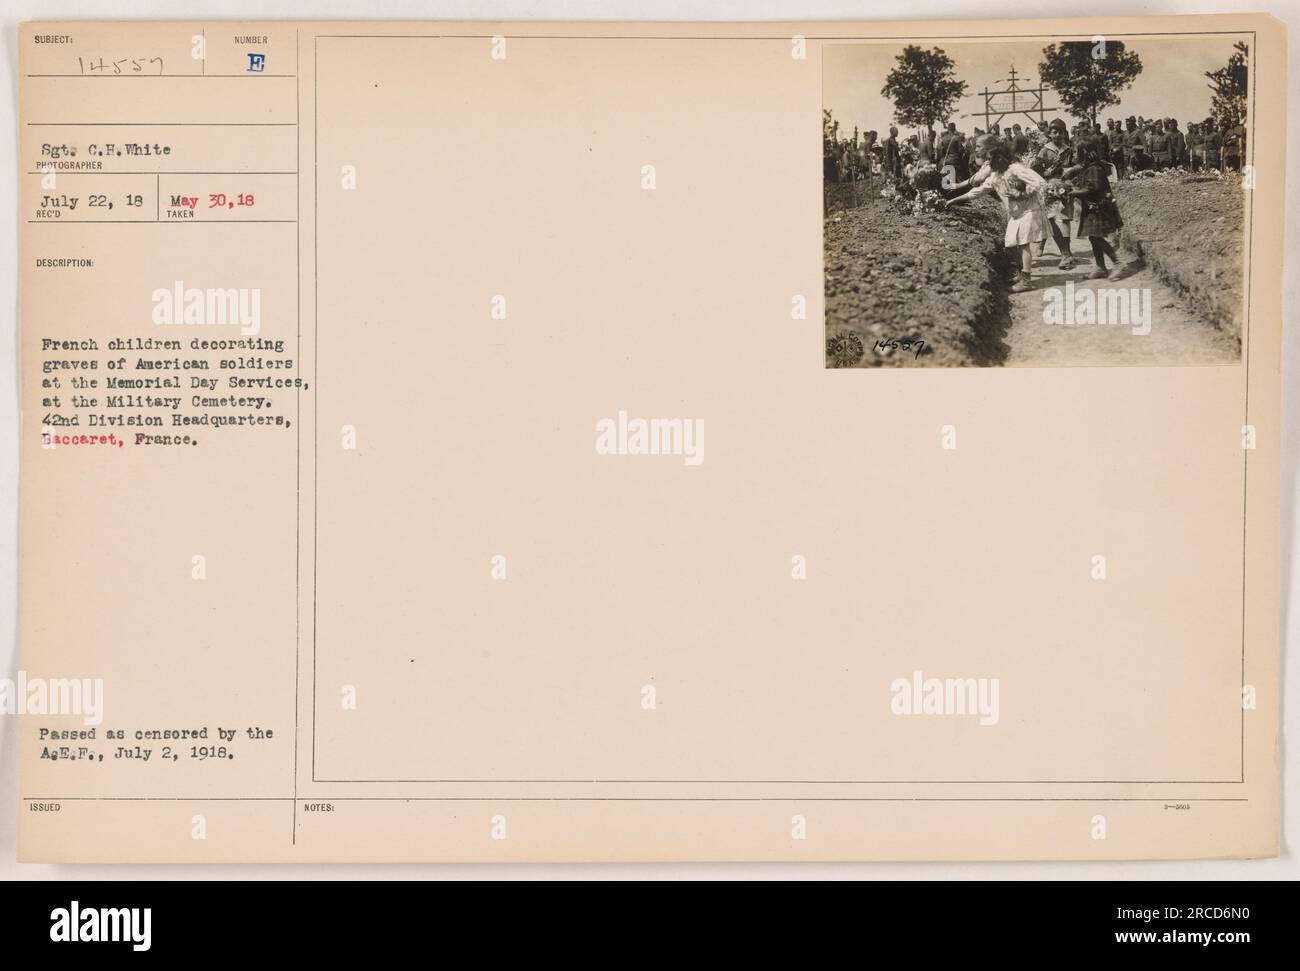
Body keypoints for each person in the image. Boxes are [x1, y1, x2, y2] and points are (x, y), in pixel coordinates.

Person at [943, 134, 1051, 293]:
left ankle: (1026, 280)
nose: (989, 164)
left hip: (1029, 210)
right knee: (1010, 245)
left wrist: (1022, 194)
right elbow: (977, 191)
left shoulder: (1015, 169)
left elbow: (1039, 182)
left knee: (1023, 243)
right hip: (1016, 213)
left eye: (992, 160)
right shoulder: (994, 176)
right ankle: (1022, 273)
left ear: (999, 157)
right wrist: (955, 200)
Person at [1067, 137, 1126, 280]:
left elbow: (1092, 188)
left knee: (1097, 238)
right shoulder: (1089, 167)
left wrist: (1074, 192)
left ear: (1085, 152)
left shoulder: (1094, 168)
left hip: (1099, 208)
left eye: (1076, 152)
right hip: (1092, 208)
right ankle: (1100, 267)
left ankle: (1118, 263)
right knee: (1093, 238)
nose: (1074, 155)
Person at [1031, 119, 1077, 268]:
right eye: (1054, 132)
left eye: (1061, 132)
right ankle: (1042, 243)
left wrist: (1070, 172)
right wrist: (1046, 172)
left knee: (1065, 218)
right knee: (1049, 218)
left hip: (1065, 187)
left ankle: (1067, 251)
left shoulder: (1068, 150)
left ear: (1065, 133)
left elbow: (1073, 167)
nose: (1057, 135)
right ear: (1049, 134)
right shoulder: (1045, 149)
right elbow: (1036, 169)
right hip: (1049, 187)